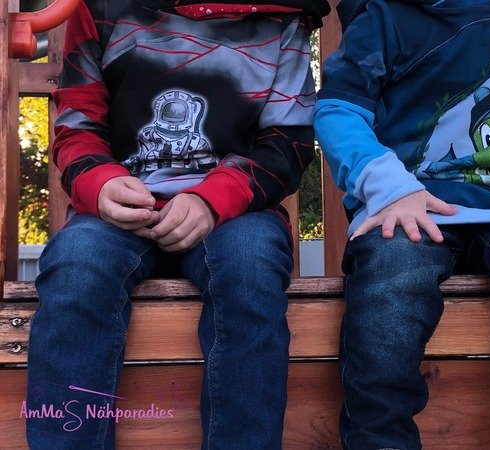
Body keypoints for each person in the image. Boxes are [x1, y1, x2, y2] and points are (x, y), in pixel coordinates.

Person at [25, 0, 329, 448]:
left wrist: (213, 199)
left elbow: (288, 141)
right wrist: (100, 183)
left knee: (250, 268)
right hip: (122, 210)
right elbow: (79, 124)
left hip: (235, 211)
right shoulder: (101, 7)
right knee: (76, 266)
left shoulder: (284, 17)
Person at [314, 0, 490, 448]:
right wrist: (389, 186)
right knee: (390, 284)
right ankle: (380, 439)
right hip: (410, 199)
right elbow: (339, 110)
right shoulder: (384, 17)